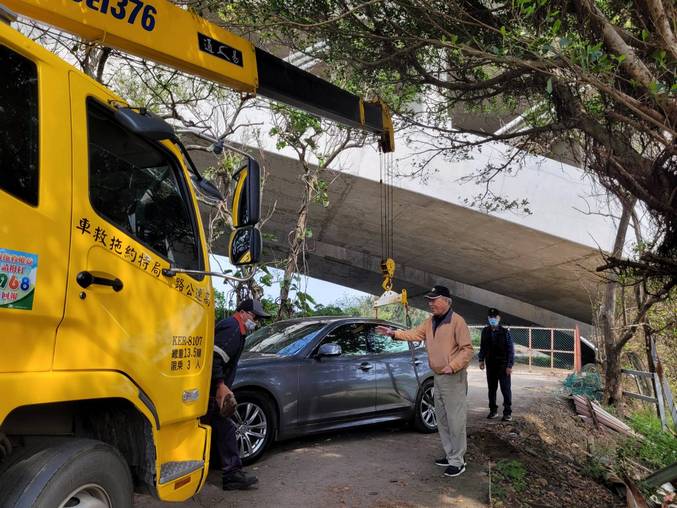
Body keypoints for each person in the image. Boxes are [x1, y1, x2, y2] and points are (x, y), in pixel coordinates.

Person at [376, 285, 474, 478]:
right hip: (438, 376)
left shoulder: (457, 321)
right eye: (429, 300)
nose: (430, 303)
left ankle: (458, 461)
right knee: (442, 419)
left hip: (453, 377)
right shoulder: (430, 322)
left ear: (446, 301)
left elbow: (467, 350)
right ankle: (450, 454)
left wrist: (452, 366)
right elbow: (414, 334)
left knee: (455, 420)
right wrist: (392, 333)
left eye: (434, 300)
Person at [205, 298, 270, 490]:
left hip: (211, 391)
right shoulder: (232, 329)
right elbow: (214, 359)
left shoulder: (235, 330)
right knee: (226, 428)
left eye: (258, 319)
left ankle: (226, 471)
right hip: (212, 392)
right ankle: (231, 475)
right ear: (242, 312)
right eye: (254, 317)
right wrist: (220, 385)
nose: (256, 322)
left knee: (222, 429)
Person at [478, 308, 515, 422]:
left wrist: (509, 365)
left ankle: (507, 412)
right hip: (491, 364)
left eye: (494, 318)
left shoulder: (505, 332)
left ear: (499, 318)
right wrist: (481, 360)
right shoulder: (485, 331)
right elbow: (483, 346)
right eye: (490, 318)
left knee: (505, 389)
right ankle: (493, 411)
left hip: (503, 365)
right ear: (488, 319)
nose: (492, 319)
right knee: (492, 389)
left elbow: (511, 350)